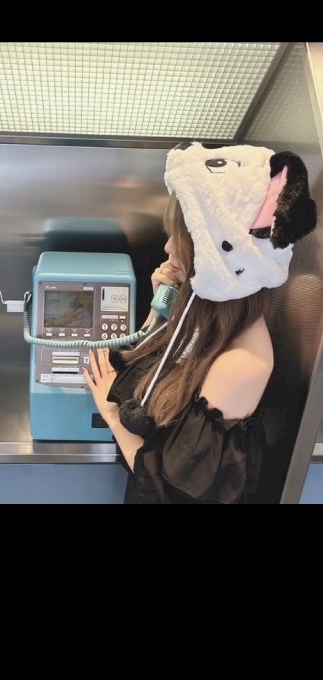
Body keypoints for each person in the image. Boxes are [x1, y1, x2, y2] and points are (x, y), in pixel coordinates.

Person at [83, 140, 317, 504]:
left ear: (223, 256)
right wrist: (160, 308)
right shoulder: (208, 314)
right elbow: (155, 374)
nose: (167, 249)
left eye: (183, 239)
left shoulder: (239, 365)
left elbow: (171, 491)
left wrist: (112, 414)